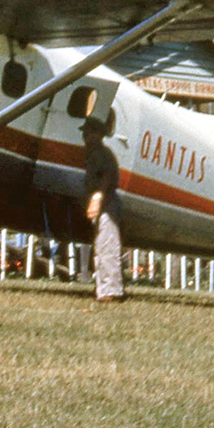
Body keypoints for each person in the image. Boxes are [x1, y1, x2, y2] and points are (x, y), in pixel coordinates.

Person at [81, 115, 124, 302]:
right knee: (101, 247)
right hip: (102, 201)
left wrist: (98, 197)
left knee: (107, 246)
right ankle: (103, 289)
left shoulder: (101, 153)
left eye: (89, 132)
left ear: (98, 135)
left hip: (106, 202)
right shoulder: (93, 154)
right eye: (85, 132)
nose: (85, 136)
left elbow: (106, 176)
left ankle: (111, 291)